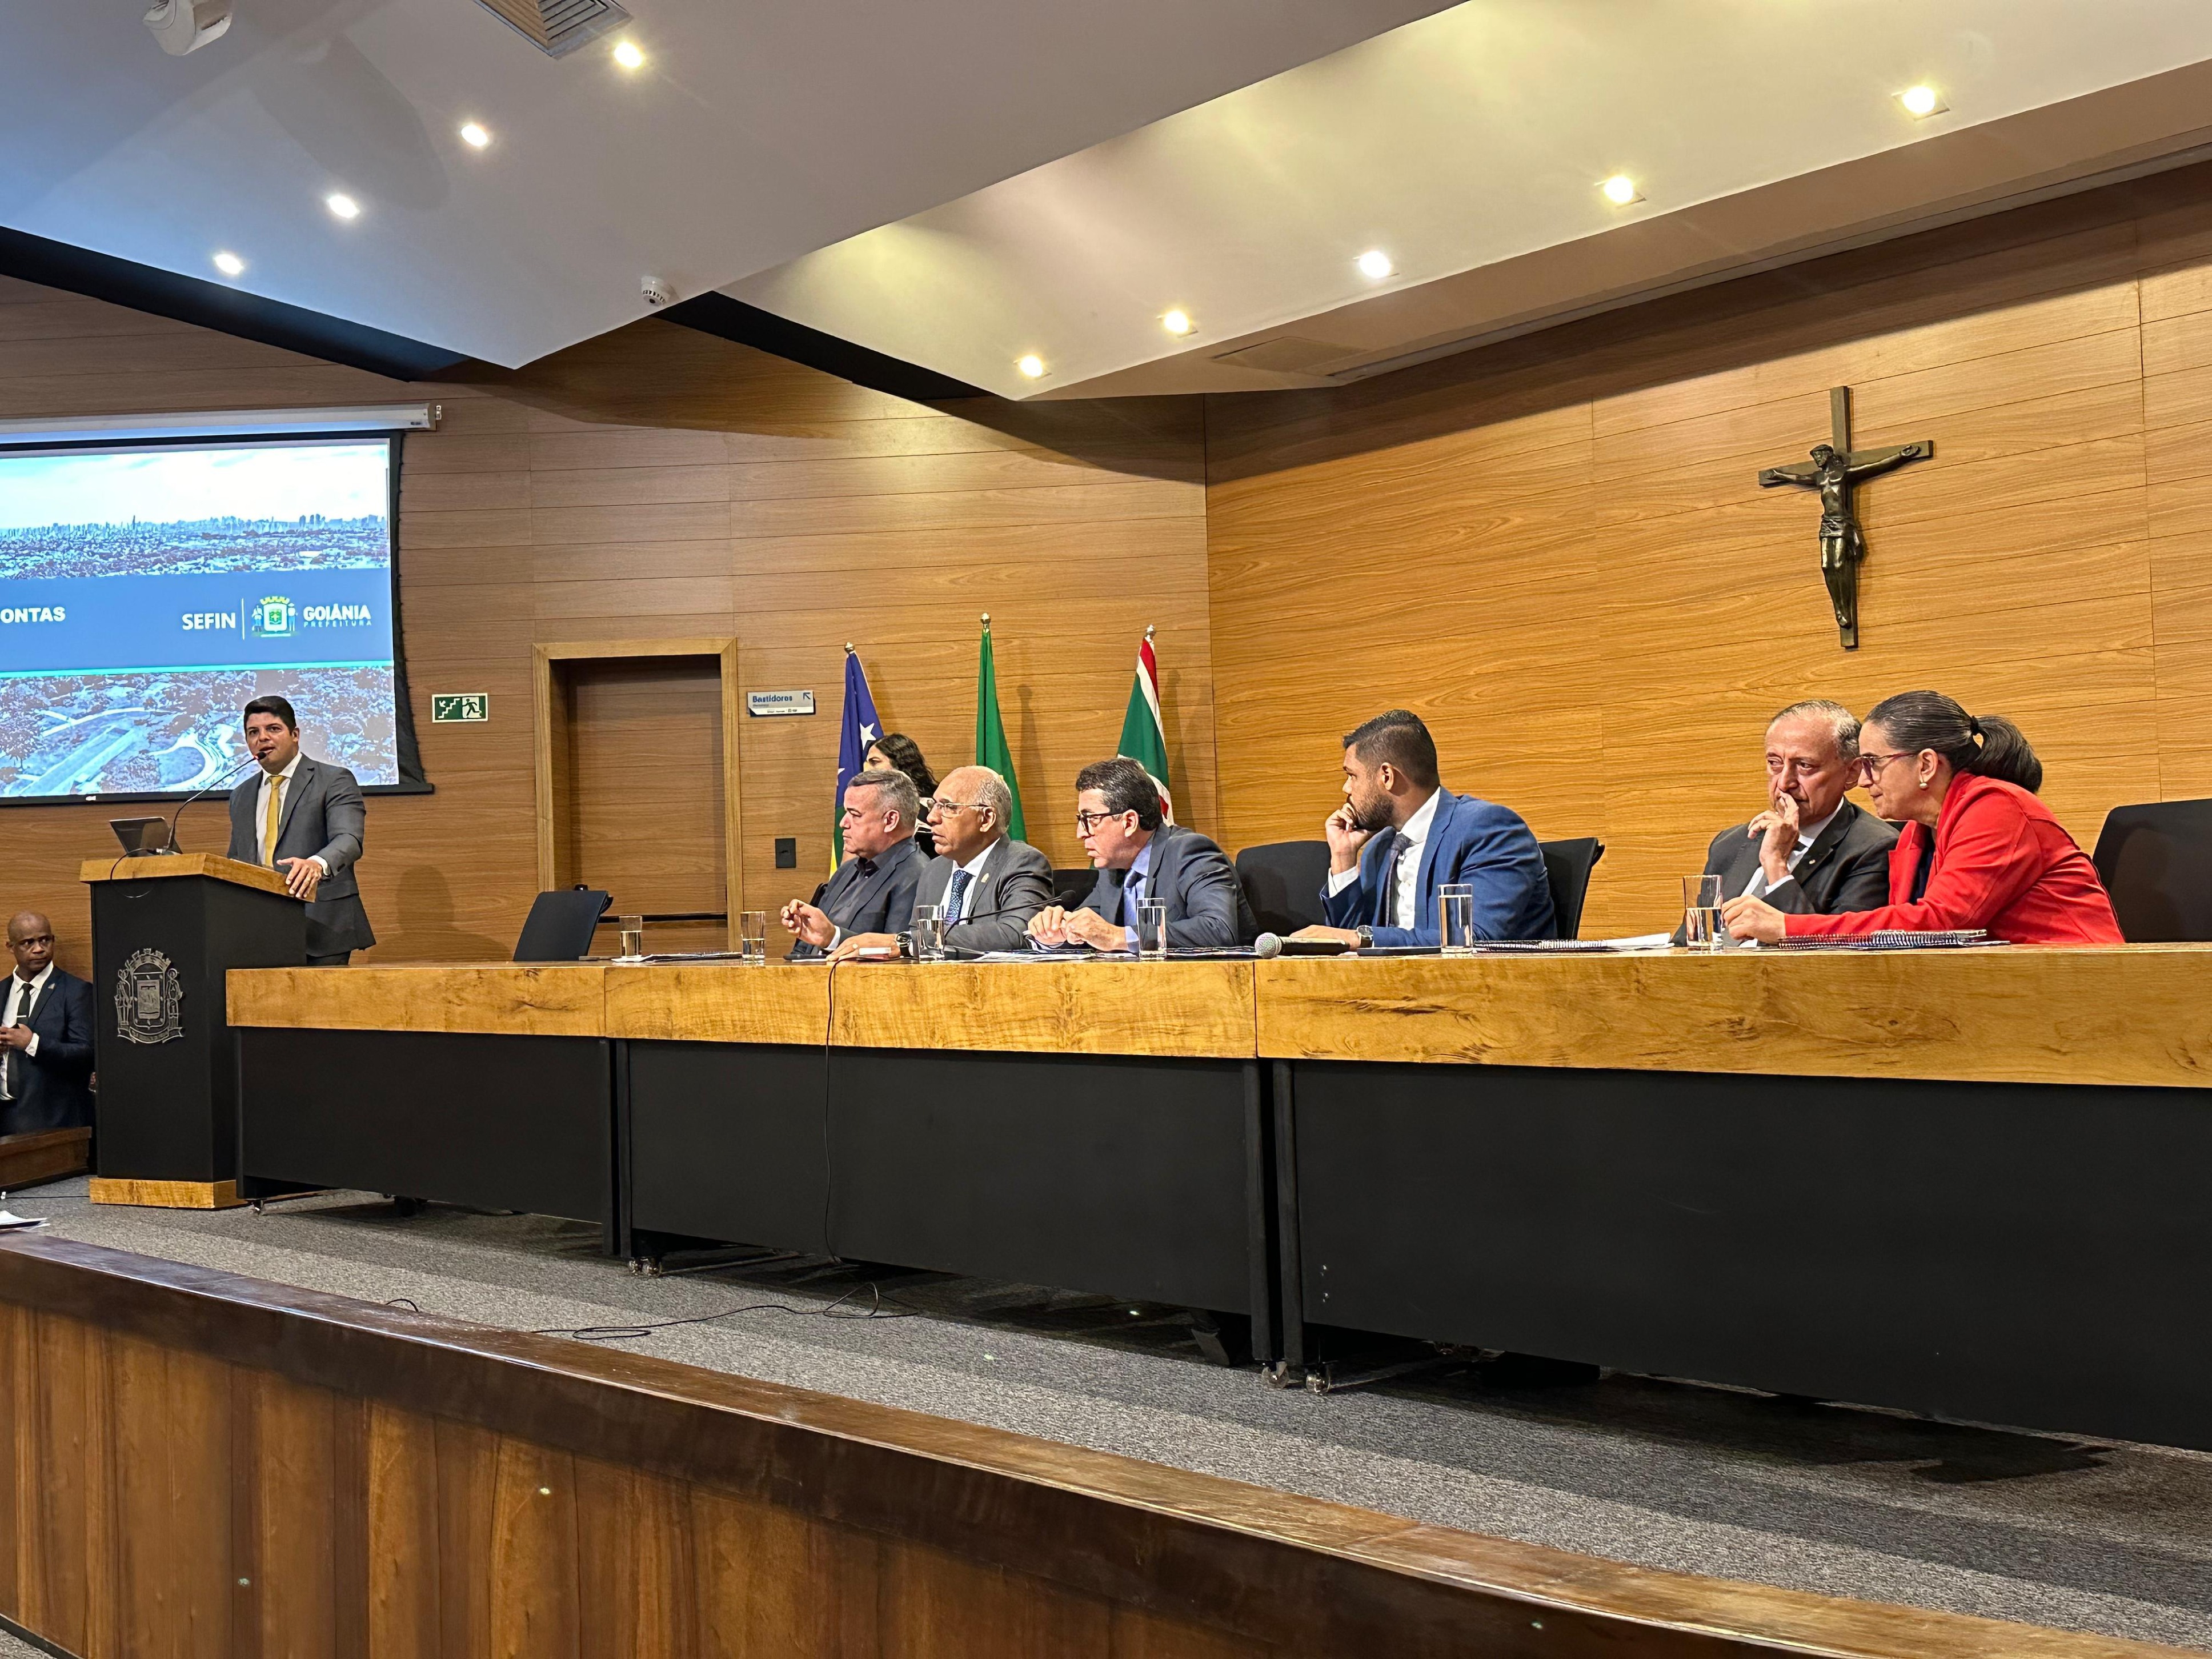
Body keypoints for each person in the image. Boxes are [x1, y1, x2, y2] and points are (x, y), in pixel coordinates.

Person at [1722, 691, 2121, 945]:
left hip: (2079, 982)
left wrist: (1788, 927)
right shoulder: (1917, 831)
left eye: (1873, 763)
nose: (1864, 780)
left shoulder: (1996, 806)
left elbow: (1944, 923)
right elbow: (1901, 933)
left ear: (1926, 765)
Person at [1297, 709, 1553, 947]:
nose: (1347, 788)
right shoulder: (1380, 848)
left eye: (1352, 775)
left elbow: (1474, 938)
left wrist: (1359, 938)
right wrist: (1343, 858)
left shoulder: (1487, 829)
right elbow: (1347, 949)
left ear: (1387, 776)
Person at [1684, 700, 1898, 933]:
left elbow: (1840, 950)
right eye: (1774, 763)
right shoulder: (1730, 844)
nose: (1784, 783)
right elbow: (1689, 943)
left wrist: (1776, 864)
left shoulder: (1874, 848)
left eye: (1805, 766)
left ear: (1852, 773)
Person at [1028, 758, 1249, 951]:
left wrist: (1117, 936)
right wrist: (1056, 933)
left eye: (1091, 819)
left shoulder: (1190, 853)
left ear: (1129, 822)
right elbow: (1091, 931)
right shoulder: (1113, 869)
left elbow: (1219, 929)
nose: (1080, 834)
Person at [831, 766, 1050, 959]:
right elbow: (916, 945)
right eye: (934, 805)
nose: (931, 818)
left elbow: (1018, 933)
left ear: (986, 819)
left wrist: (907, 942)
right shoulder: (935, 870)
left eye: (948, 807)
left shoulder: (1022, 862)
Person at [225, 695, 374, 965]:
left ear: (295, 735)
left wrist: (316, 864)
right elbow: (237, 858)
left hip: (321, 925)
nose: (262, 738)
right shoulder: (241, 795)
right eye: (253, 732)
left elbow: (349, 839)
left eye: (273, 729)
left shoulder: (333, 780)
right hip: (257, 930)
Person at [783, 768, 925, 957]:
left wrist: (833, 938)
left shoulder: (917, 875)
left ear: (890, 820)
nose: (843, 823)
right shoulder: (847, 870)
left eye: (855, 814)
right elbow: (804, 950)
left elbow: (898, 957)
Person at [0, 912, 94, 1134]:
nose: (39, 949)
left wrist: (32, 1043)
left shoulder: (75, 991)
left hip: (53, 1122)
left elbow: (86, 1054)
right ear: (10, 947)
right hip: (5, 1119)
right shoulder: (1, 991)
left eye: (45, 940)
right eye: (28, 943)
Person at [865, 734, 938, 859]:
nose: (867, 770)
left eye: (875, 762)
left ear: (900, 763)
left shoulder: (931, 807)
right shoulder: (872, 807)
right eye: (867, 763)